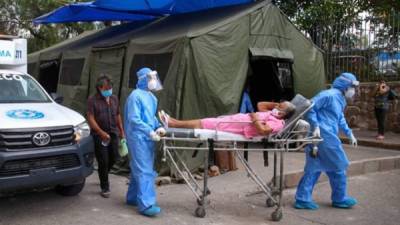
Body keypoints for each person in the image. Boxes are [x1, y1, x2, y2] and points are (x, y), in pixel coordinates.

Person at [294, 72, 359, 210]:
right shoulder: (328, 95)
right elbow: (309, 107)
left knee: (315, 166)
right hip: (323, 135)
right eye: (352, 87)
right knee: (338, 166)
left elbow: (339, 117)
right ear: (345, 86)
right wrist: (315, 125)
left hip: (323, 136)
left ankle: (302, 199)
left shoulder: (340, 98)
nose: (354, 91)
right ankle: (339, 198)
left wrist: (349, 133)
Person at [124, 67, 166, 217]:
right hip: (137, 138)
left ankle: (132, 197)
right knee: (144, 170)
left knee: (139, 168)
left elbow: (151, 117)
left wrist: (159, 126)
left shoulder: (152, 97)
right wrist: (149, 131)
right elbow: (134, 119)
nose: (153, 82)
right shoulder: (135, 96)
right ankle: (146, 204)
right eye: (150, 79)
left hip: (148, 138)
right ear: (143, 79)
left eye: (154, 79)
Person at [159, 101, 296, 138]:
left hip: (238, 126)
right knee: (206, 121)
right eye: (278, 104)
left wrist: (254, 117)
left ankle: (172, 123)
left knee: (204, 123)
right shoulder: (272, 114)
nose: (276, 106)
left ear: (283, 114)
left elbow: (263, 130)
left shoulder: (278, 122)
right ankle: (173, 122)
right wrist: (277, 106)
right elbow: (260, 104)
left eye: (280, 106)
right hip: (236, 120)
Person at [87, 75, 125, 198]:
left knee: (114, 157)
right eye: (106, 88)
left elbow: (118, 115)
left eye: (110, 88)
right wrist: (100, 132)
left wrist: (121, 131)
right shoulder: (92, 100)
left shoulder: (114, 98)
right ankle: (105, 186)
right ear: (99, 88)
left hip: (113, 132)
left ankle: (103, 173)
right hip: (99, 134)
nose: (109, 90)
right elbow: (91, 118)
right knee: (103, 160)